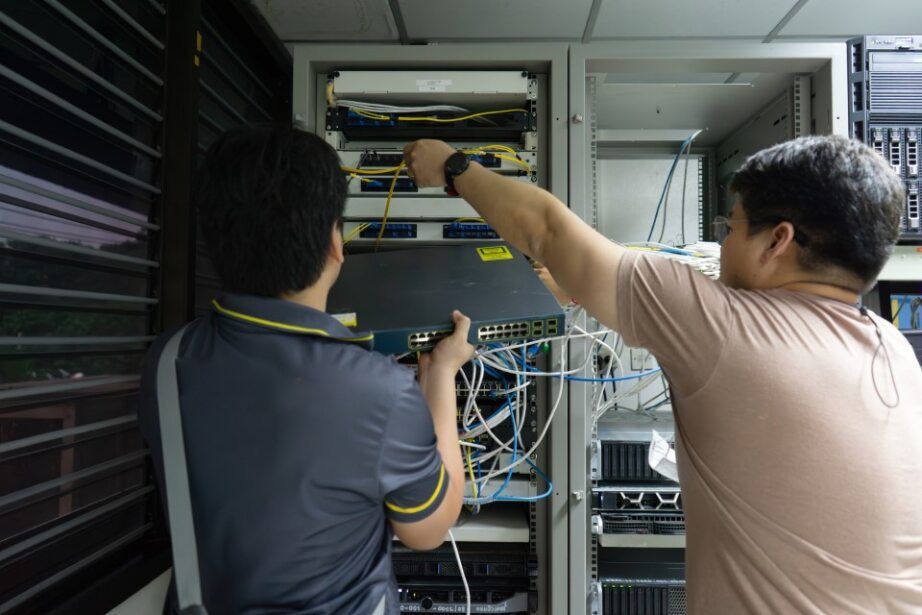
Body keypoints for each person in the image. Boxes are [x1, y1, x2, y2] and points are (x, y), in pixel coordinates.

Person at [403, 135, 922, 613]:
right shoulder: (894, 350)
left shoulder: (724, 329)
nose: (721, 244)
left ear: (777, 241)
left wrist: (453, 167)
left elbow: (546, 229)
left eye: (731, 227)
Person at [139, 125, 470, 614]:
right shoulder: (378, 390)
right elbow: (428, 529)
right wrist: (440, 378)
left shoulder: (166, 360)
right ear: (335, 243)